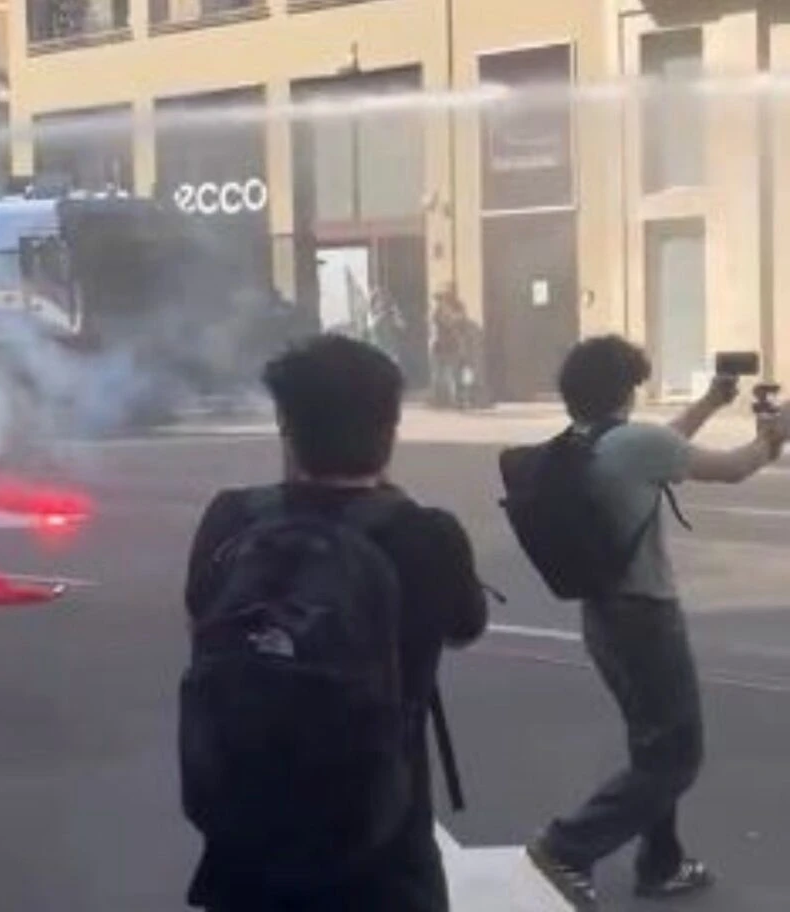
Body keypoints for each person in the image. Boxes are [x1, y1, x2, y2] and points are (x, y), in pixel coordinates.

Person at [181, 334, 488, 912]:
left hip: (245, 847)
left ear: (285, 426)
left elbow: (201, 624)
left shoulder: (230, 518)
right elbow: (465, 627)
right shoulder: (425, 535)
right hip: (381, 853)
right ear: (391, 428)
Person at [527, 336, 790, 909]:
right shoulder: (632, 443)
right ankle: (566, 846)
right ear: (624, 389)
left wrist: (712, 403)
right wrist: (777, 432)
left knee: (653, 745)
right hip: (645, 619)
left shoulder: (586, 441)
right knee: (676, 757)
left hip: (602, 615)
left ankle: (661, 862)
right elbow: (736, 468)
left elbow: (662, 447)